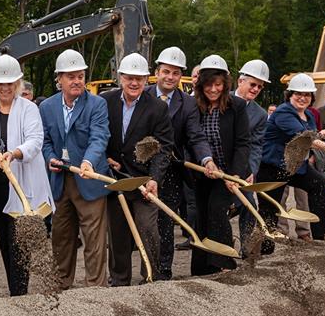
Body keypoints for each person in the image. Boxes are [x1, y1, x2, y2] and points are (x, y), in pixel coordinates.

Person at [0, 54, 52, 297]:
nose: (4, 88)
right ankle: (13, 290)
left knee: (18, 242)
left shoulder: (29, 109)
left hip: (21, 183)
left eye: (9, 84)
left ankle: (20, 293)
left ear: (17, 85)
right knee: (4, 241)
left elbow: (36, 141)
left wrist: (15, 153)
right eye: (0, 84)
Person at [101, 53, 174, 286]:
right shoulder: (106, 101)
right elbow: (97, 135)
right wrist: (104, 158)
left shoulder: (157, 108)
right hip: (114, 178)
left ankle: (150, 277)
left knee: (148, 228)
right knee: (117, 232)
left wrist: (154, 179)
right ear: (120, 77)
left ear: (147, 80)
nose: (134, 83)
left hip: (144, 180)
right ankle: (119, 279)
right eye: (129, 78)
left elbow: (163, 148)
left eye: (139, 79)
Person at [41, 50, 111, 288]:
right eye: (70, 76)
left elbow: (99, 137)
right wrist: (50, 158)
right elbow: (46, 141)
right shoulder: (47, 107)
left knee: (94, 239)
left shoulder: (97, 104)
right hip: (60, 182)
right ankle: (61, 285)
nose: (77, 81)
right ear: (59, 79)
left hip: (89, 180)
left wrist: (88, 161)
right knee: (61, 238)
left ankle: (95, 288)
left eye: (80, 76)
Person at [144, 47, 212, 280]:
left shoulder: (187, 103)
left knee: (165, 222)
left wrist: (206, 158)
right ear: (157, 72)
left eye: (175, 73)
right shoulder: (142, 95)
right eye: (166, 71)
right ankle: (145, 269)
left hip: (171, 170)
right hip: (140, 168)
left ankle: (163, 271)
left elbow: (195, 136)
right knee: (142, 221)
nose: (170, 77)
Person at [256, 73, 325, 249]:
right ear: (290, 95)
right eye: (298, 94)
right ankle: (262, 251)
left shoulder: (308, 114)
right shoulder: (283, 112)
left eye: (307, 95)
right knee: (270, 210)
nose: (302, 98)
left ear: (311, 97)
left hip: (295, 167)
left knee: (319, 184)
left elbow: (313, 134)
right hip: (272, 168)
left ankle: (323, 238)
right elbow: (303, 137)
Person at [189, 56, 250, 274]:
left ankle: (224, 264)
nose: (213, 89)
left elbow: (243, 143)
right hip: (201, 172)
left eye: (218, 84)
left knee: (217, 210)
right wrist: (203, 163)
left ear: (225, 84)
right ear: (201, 83)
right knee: (201, 215)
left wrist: (235, 175)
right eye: (208, 84)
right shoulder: (193, 105)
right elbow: (191, 138)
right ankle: (201, 268)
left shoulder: (237, 107)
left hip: (226, 174)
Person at [232, 60, 274, 246]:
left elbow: (256, 145)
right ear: (240, 81)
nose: (256, 89)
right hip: (215, 166)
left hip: (241, 168)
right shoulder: (221, 101)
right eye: (252, 84)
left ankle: (247, 248)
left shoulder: (259, 114)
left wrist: (251, 171)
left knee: (250, 206)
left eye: (259, 86)